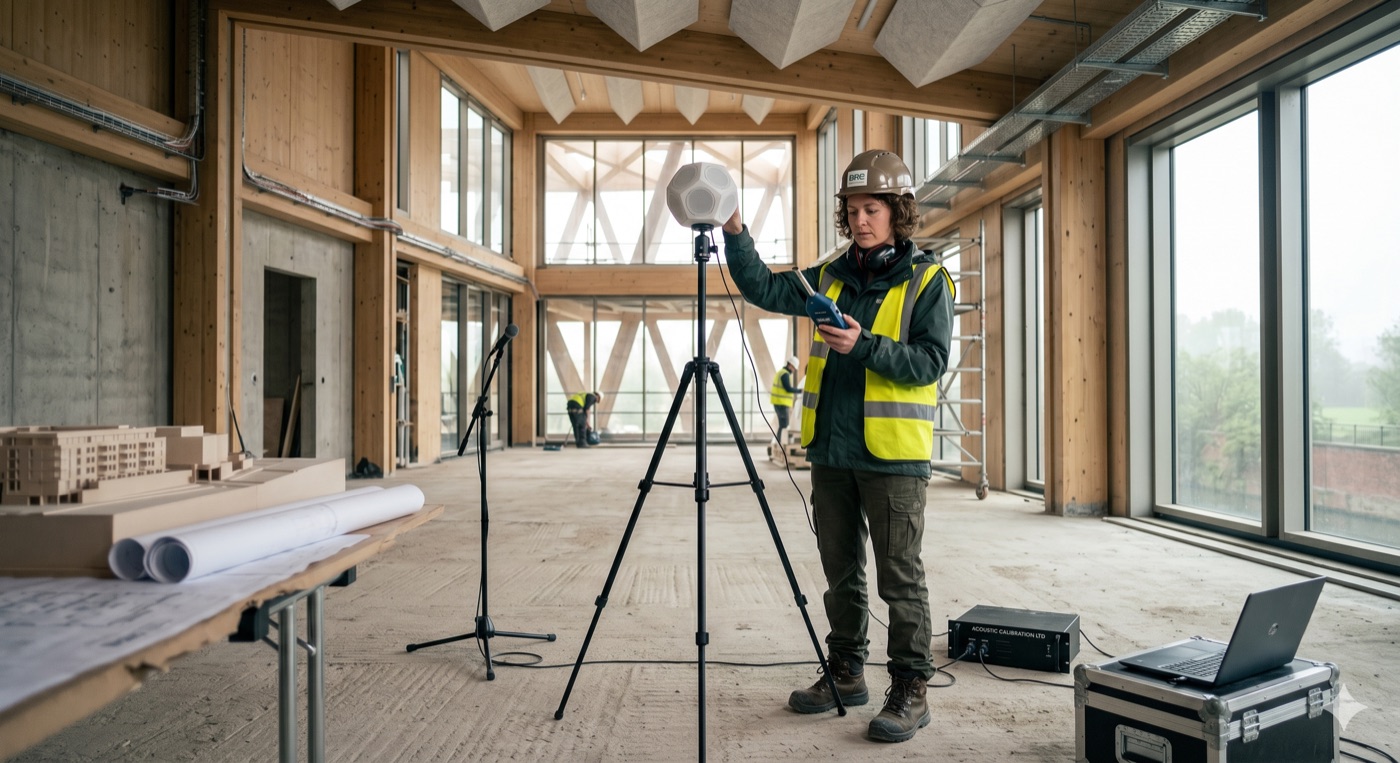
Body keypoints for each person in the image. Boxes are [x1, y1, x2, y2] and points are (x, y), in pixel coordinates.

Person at [721, 149, 954, 744]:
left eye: (871, 208)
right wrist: (736, 232)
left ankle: (911, 688)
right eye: (852, 210)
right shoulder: (828, 276)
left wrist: (864, 345)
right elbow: (761, 287)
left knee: (900, 578)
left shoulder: (928, 280)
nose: (860, 220)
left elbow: (930, 363)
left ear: (898, 211)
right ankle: (847, 672)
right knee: (840, 571)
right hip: (831, 450)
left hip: (893, 456)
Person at [770, 355, 800, 451]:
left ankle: (778, 443)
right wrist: (800, 391)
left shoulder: (781, 372)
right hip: (781, 404)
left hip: (779, 403)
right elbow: (788, 389)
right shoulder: (785, 374)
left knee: (782, 425)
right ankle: (779, 445)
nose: (793, 370)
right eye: (794, 368)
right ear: (790, 365)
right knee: (784, 425)